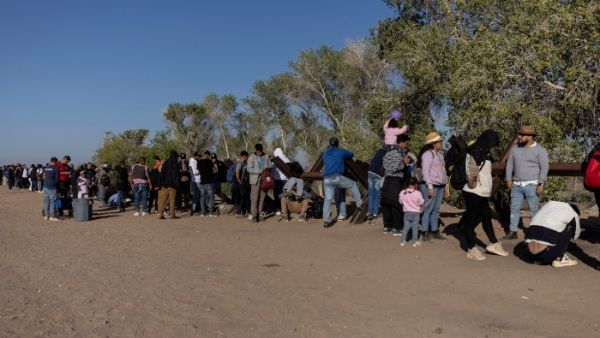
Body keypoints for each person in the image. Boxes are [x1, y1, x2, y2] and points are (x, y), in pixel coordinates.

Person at [460, 130, 509, 260]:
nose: (493, 146)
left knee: (486, 218)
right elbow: (471, 170)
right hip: (473, 192)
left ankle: (494, 244)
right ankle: (472, 249)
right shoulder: (476, 151)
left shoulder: (484, 152)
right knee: (471, 221)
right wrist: (473, 183)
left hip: (481, 193)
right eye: (493, 143)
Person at [505, 125, 549, 240]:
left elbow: (544, 167)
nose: (519, 136)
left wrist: (541, 184)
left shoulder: (540, 150)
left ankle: (535, 233)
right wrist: (508, 178)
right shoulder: (515, 149)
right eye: (520, 134)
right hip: (516, 184)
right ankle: (513, 231)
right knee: (514, 209)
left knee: (533, 210)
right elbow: (510, 164)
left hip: (532, 185)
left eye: (522, 134)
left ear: (530, 136)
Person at [321, 137, 362, 228]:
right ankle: (359, 204)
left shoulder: (325, 153)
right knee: (353, 184)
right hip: (337, 177)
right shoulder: (340, 151)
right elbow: (351, 154)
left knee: (327, 199)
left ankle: (327, 221)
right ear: (337, 144)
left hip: (326, 179)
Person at [524, 201, 580, 267]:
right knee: (569, 228)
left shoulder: (547, 206)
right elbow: (576, 235)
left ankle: (539, 258)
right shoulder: (573, 213)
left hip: (530, 255)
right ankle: (559, 259)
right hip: (547, 256)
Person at [418, 132, 448, 241]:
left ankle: (434, 230)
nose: (441, 143)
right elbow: (425, 171)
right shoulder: (427, 154)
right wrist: (430, 187)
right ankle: (425, 231)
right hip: (430, 186)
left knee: (436, 209)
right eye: (439, 141)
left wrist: (446, 186)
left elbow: (443, 171)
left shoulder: (440, 156)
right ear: (433, 144)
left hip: (440, 186)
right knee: (428, 209)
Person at [380, 135, 410, 235]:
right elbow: (395, 168)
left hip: (387, 180)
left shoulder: (387, 152)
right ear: (402, 142)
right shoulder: (399, 154)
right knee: (396, 204)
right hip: (396, 181)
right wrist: (405, 163)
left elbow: (385, 166)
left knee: (386, 203)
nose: (406, 146)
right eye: (406, 144)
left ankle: (387, 226)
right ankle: (396, 228)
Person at [247, 143, 272, 223]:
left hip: (265, 180)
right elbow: (248, 169)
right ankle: (254, 215)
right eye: (258, 150)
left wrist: (267, 167)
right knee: (254, 198)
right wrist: (258, 171)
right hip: (255, 180)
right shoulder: (251, 157)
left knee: (262, 198)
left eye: (260, 150)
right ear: (256, 150)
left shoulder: (266, 156)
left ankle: (260, 215)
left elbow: (270, 166)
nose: (259, 151)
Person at [399, 177, 424, 247]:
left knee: (406, 227)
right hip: (416, 213)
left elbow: (400, 202)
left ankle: (403, 241)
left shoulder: (403, 192)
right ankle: (414, 241)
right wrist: (421, 209)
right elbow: (421, 203)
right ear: (416, 184)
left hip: (407, 213)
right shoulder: (418, 193)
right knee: (415, 228)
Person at [366, 144, 387, 220]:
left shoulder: (379, 151)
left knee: (371, 193)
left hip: (370, 172)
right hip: (378, 174)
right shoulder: (387, 154)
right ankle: (375, 212)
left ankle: (369, 212)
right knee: (377, 194)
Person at [158, 150, 180, 219]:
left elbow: (162, 173)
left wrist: (160, 183)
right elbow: (177, 174)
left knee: (163, 200)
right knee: (172, 200)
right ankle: (172, 214)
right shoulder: (175, 163)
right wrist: (177, 184)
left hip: (165, 184)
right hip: (173, 185)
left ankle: (161, 214)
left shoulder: (166, 162)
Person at [197, 151, 217, 216]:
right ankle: (211, 213)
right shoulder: (210, 162)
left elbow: (199, 171)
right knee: (211, 197)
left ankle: (203, 212)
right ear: (208, 155)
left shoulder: (199, 162)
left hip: (202, 182)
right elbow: (215, 171)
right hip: (209, 182)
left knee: (202, 197)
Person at [273, 147, 291, 215]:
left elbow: (273, 170)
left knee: (277, 195)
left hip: (277, 180)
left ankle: (278, 209)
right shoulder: (287, 160)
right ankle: (286, 209)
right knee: (285, 195)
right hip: (286, 180)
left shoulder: (276, 160)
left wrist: (272, 178)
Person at [42, 157, 60, 221]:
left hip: (45, 186)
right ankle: (52, 216)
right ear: (56, 162)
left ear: (50, 161)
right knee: (53, 202)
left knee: (46, 201)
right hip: (52, 187)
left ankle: (46, 215)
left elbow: (44, 176)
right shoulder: (56, 169)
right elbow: (57, 180)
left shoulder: (46, 168)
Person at [236, 151, 251, 217]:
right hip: (242, 183)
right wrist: (239, 180)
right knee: (243, 197)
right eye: (246, 156)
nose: (247, 158)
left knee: (246, 197)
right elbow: (237, 172)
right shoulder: (240, 163)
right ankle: (239, 211)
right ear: (244, 156)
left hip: (246, 183)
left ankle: (246, 211)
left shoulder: (245, 163)